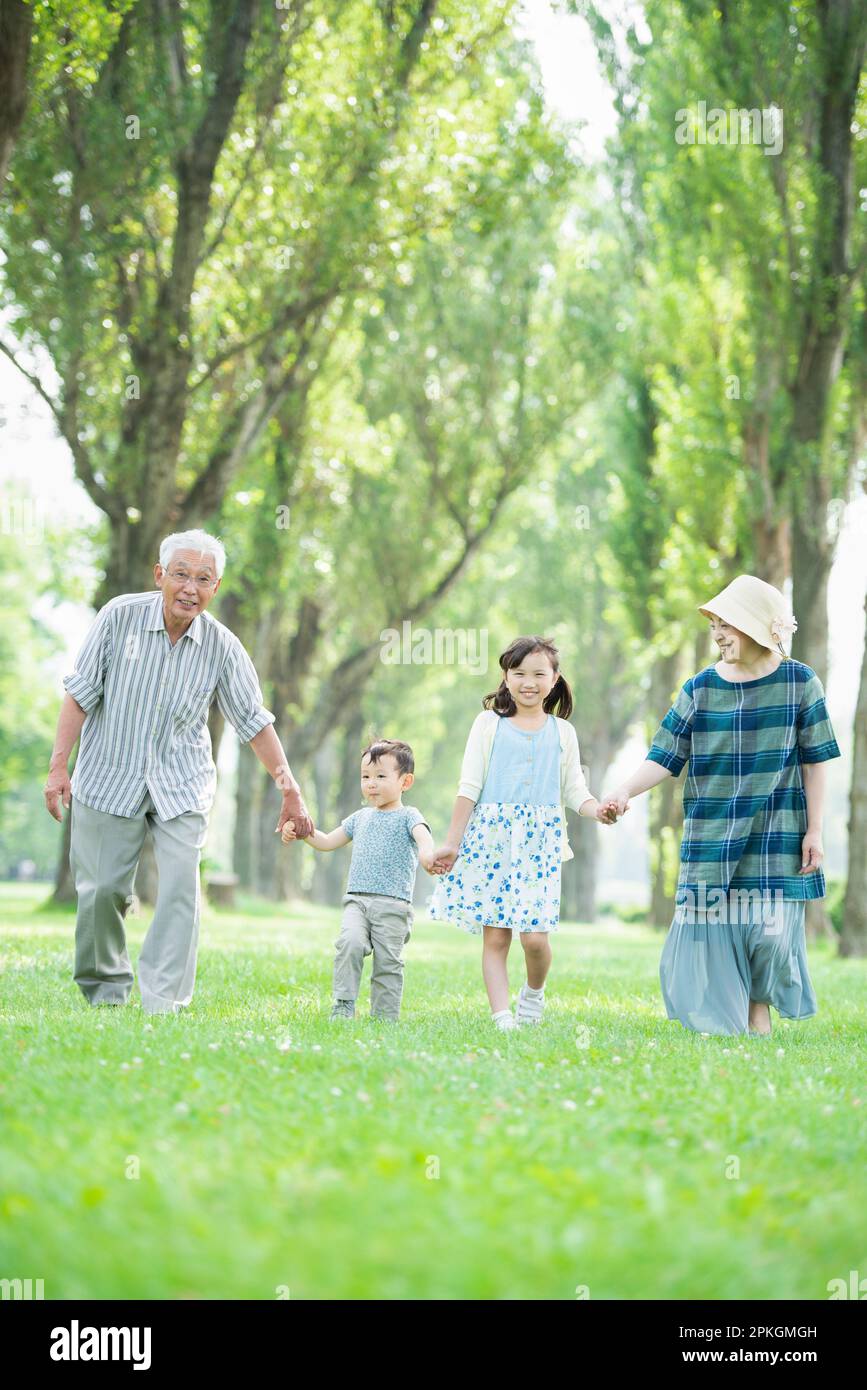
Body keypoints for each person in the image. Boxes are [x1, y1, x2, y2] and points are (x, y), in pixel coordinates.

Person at [43, 528, 313, 1014]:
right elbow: (79, 693)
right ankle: (105, 991)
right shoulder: (118, 617)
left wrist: (288, 786)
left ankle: (164, 999)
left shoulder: (223, 646)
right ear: (159, 575)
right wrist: (58, 766)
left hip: (181, 784)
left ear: (217, 586)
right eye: (181, 575)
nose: (191, 588)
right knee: (102, 889)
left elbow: (253, 720)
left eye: (203, 579)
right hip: (108, 775)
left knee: (180, 889)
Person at [600, 574, 841, 1037]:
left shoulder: (800, 682)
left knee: (771, 933)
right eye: (714, 626)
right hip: (713, 831)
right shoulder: (701, 687)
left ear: (753, 625)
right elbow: (666, 755)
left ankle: (757, 1005)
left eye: (725, 624)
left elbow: (816, 761)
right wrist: (624, 791)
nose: (717, 635)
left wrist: (815, 830)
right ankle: (737, 1023)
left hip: (777, 831)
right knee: (716, 930)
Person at [429, 635, 616, 1031]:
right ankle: (502, 1018)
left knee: (534, 939)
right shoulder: (488, 725)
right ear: (506, 677)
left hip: (540, 844)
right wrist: (452, 842)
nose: (528, 682)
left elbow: (574, 792)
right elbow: (469, 787)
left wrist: (598, 810)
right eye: (519, 673)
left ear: (554, 679)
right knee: (496, 938)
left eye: (538, 674)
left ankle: (533, 992)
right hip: (491, 841)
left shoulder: (563, 733)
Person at [283, 739, 436, 1021]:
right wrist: (301, 831)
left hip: (393, 906)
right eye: (366, 777)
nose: (371, 784)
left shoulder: (408, 816)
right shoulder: (360, 817)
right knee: (349, 944)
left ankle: (384, 1017)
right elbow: (327, 841)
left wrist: (428, 855)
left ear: (406, 781)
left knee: (388, 962)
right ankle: (343, 1005)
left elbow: (423, 837)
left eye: (380, 776)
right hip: (357, 901)